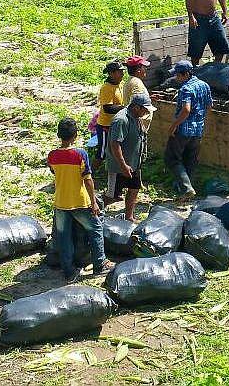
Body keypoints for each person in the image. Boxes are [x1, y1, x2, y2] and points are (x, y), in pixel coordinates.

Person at [47, 118, 114, 282]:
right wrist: (94, 202)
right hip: (79, 201)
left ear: (58, 135)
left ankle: (69, 272)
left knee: (64, 237)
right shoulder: (80, 154)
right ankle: (100, 264)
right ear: (75, 135)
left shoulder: (52, 155)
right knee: (96, 228)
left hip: (61, 202)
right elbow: (88, 180)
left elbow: (55, 173)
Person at [104, 93, 157, 222]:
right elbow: (115, 144)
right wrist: (123, 165)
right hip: (119, 166)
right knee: (113, 196)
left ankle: (129, 217)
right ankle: (93, 210)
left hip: (134, 163)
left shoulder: (136, 117)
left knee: (134, 189)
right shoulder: (121, 120)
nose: (146, 112)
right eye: (144, 109)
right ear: (136, 107)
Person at [165, 60, 213, 200]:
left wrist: (174, 126)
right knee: (190, 159)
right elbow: (209, 106)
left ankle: (186, 188)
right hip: (197, 130)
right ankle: (187, 191)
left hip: (183, 130)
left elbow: (186, 110)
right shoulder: (204, 85)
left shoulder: (186, 89)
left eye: (178, 75)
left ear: (186, 74)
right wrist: (200, 119)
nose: (176, 78)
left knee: (171, 158)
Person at [87, 61, 124, 170]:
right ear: (111, 74)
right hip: (105, 125)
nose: (122, 74)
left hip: (116, 123)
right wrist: (125, 108)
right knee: (102, 152)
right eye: (120, 72)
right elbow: (108, 108)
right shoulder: (106, 88)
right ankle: (89, 174)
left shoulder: (120, 84)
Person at [123, 55, 152, 132]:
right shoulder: (136, 83)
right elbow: (137, 107)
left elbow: (136, 100)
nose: (145, 69)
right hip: (138, 126)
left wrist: (149, 98)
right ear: (139, 70)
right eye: (144, 67)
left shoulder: (130, 80)